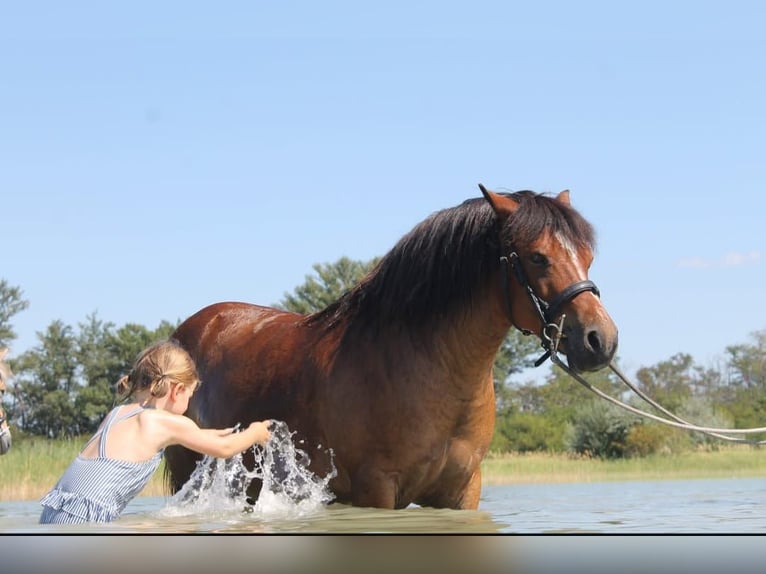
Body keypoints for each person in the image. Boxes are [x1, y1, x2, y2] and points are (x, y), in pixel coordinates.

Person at [39, 338, 271, 525]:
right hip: (89, 521)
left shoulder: (117, 414)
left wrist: (221, 434)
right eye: (189, 396)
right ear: (177, 390)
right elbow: (224, 450)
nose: (188, 405)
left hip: (53, 512)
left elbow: (200, 438)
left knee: (150, 526)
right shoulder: (163, 422)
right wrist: (255, 432)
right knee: (179, 527)